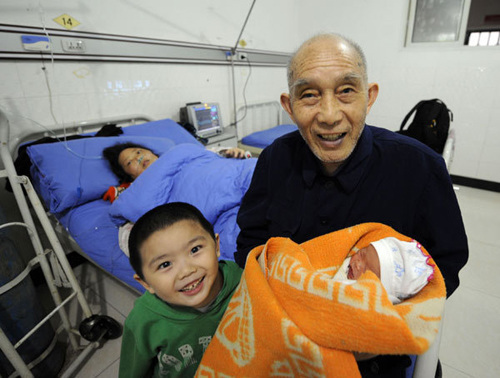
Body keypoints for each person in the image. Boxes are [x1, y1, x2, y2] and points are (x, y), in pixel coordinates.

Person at [235, 33, 468, 377]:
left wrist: (376, 330)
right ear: (289, 105)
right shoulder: (274, 161)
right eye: (309, 94)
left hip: (377, 353)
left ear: (369, 96)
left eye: (346, 90)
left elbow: (445, 263)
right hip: (289, 342)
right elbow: (250, 247)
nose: (329, 115)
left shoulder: (419, 168)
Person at [119, 202, 242, 377]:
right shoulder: (143, 321)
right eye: (165, 264)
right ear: (146, 283)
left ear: (216, 246)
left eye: (195, 249)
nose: (187, 271)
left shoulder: (245, 281)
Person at [102, 142, 249, 202]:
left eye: (138, 152)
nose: (137, 158)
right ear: (130, 176)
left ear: (153, 153)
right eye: (129, 162)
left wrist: (232, 153)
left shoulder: (178, 154)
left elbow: (207, 154)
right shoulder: (139, 189)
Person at [334, 237, 434, 305]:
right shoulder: (342, 261)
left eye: (365, 271)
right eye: (361, 254)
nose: (357, 264)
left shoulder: (369, 300)